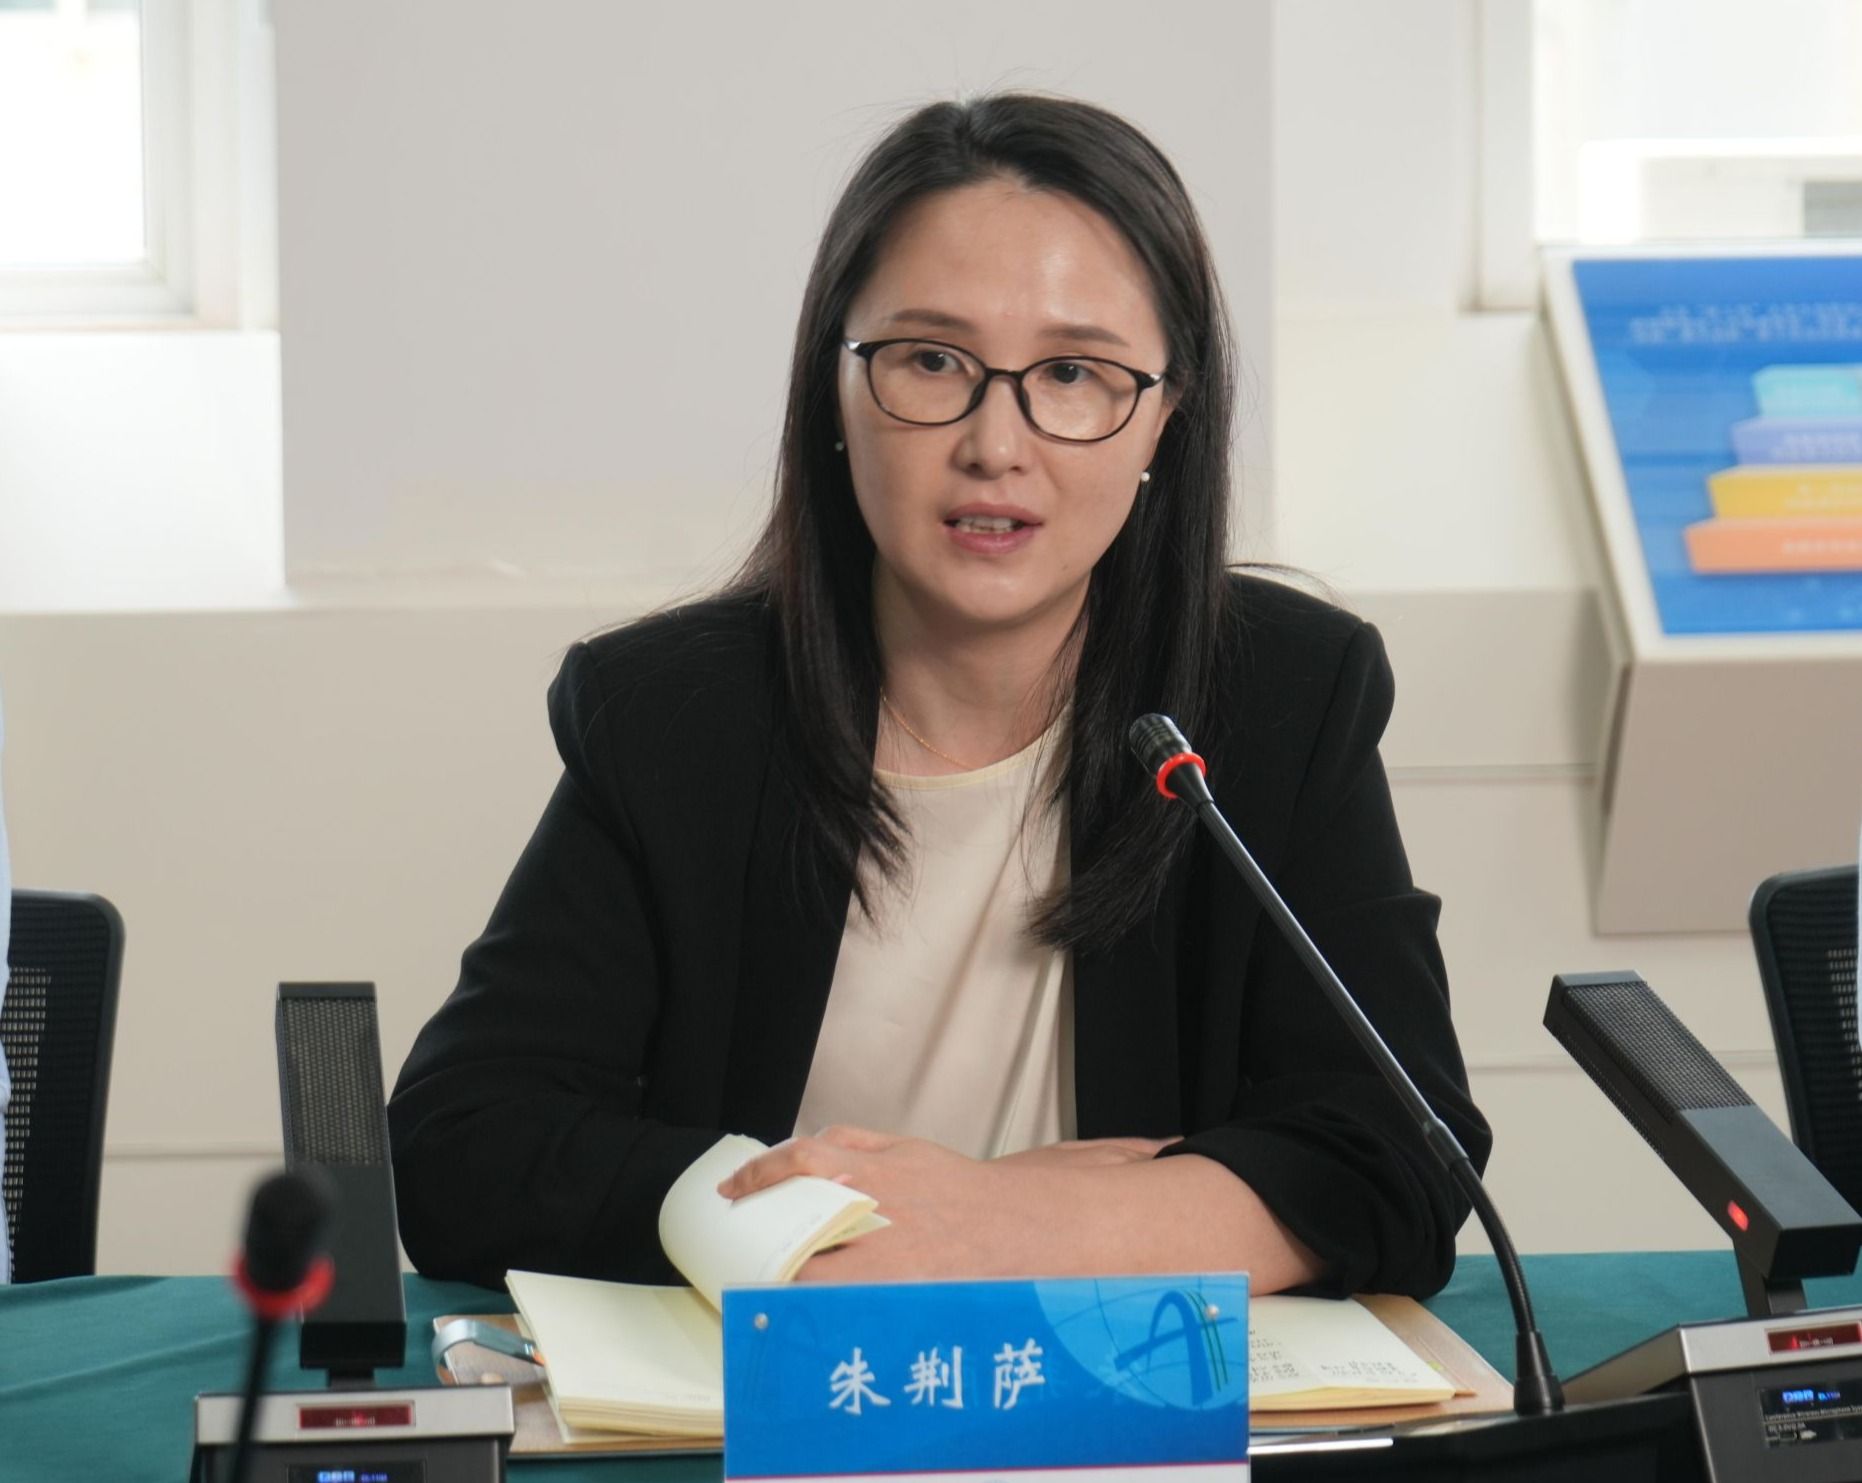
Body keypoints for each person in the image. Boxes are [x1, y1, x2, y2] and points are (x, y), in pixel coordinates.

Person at [388, 93, 1490, 1299]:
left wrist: (1011, 1221)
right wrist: (827, 1224)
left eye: (1071, 373)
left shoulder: (1280, 697)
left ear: (1164, 419)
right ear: (834, 389)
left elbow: (1402, 1155)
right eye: (929, 360)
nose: (994, 444)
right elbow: (463, 1144)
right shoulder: (672, 717)